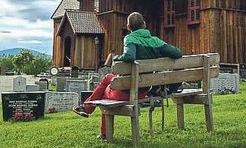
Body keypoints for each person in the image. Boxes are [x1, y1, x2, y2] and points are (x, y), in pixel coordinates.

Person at [72, 12, 182, 140]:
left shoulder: (130, 39)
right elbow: (177, 53)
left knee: (105, 88)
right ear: (144, 25)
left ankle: (97, 123)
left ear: (128, 27)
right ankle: (87, 109)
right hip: (143, 91)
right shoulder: (156, 41)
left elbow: (130, 56)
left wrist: (117, 58)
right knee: (109, 79)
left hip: (125, 92)